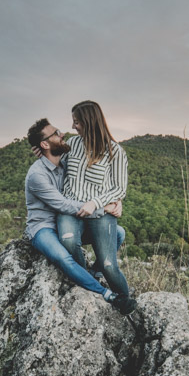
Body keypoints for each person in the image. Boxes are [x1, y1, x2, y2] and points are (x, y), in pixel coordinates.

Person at [25, 118, 137, 315]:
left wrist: (115, 200)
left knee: (118, 233)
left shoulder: (63, 163)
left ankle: (91, 272)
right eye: (56, 133)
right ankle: (105, 293)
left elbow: (91, 181)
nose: (63, 134)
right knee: (62, 256)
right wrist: (104, 208)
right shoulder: (37, 175)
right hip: (43, 228)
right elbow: (63, 204)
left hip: (65, 221)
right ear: (44, 144)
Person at [56, 100, 133, 303]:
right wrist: (43, 151)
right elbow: (54, 167)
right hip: (70, 209)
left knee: (109, 265)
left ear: (89, 122)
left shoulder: (115, 151)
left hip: (99, 213)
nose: (73, 126)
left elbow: (119, 188)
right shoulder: (72, 144)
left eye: (77, 122)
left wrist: (95, 202)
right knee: (68, 240)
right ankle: (87, 279)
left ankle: (126, 300)